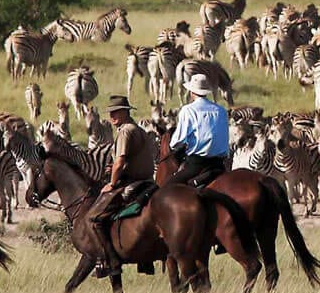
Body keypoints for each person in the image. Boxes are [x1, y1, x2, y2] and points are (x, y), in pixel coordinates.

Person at [83, 96, 157, 275]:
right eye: (111, 112)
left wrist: (112, 183)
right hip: (149, 182)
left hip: (131, 183)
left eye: (116, 112)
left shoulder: (125, 131)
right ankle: (145, 259)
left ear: (126, 112)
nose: (112, 116)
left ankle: (108, 261)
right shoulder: (139, 129)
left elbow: (120, 161)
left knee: (94, 218)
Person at [162, 74, 230, 188]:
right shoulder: (221, 110)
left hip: (197, 165)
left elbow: (177, 141)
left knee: (166, 188)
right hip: (219, 165)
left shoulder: (188, 110)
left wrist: (173, 146)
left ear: (191, 92)